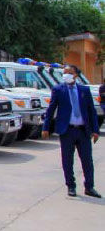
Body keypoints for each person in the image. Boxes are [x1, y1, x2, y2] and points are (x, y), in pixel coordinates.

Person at [42, 65, 100, 197]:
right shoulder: (58, 89)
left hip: (83, 131)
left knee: (87, 160)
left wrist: (95, 130)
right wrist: (45, 127)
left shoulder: (84, 90)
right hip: (67, 130)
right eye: (64, 72)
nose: (66, 74)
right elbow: (51, 109)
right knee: (67, 160)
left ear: (75, 75)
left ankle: (89, 187)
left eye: (69, 72)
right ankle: (71, 186)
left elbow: (92, 111)